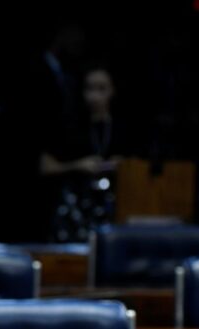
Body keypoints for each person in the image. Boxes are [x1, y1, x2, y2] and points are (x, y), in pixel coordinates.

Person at [40, 65, 134, 242]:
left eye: (102, 88)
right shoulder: (70, 127)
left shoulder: (124, 129)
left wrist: (124, 166)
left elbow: (140, 167)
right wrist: (77, 165)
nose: (95, 96)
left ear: (112, 90)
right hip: (75, 206)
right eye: (89, 88)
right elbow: (45, 166)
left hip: (113, 204)